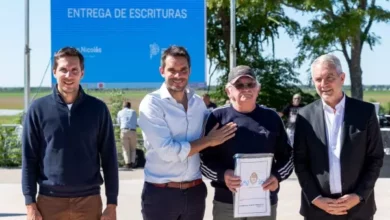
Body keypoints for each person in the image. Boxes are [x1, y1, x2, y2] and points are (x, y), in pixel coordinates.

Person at [137, 45, 237, 220]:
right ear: (162, 71)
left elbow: (218, 130)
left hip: (195, 193)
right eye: (172, 70)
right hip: (161, 195)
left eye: (183, 70)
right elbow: (167, 151)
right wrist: (207, 141)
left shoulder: (198, 103)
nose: (178, 75)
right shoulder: (152, 104)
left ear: (189, 71)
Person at [22, 47, 119, 220]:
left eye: (74, 70)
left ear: (82, 73)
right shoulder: (38, 109)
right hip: (49, 202)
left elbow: (109, 158)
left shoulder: (98, 109)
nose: (69, 75)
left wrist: (112, 204)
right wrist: (30, 204)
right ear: (54, 72)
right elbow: (29, 158)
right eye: (63, 70)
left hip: (88, 201)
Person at [293, 54, 384, 220]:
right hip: (317, 210)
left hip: (358, 210)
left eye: (330, 77)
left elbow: (375, 158)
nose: (324, 84)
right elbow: (300, 162)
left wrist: (358, 196)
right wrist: (316, 198)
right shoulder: (304, 116)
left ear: (342, 78)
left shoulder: (365, 112)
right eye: (318, 79)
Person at [200, 65, 294, 220]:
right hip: (227, 203)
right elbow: (203, 161)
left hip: (264, 201)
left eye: (250, 84)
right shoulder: (217, 117)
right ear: (228, 90)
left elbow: (288, 157)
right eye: (239, 85)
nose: (246, 89)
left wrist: (276, 177)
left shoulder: (272, 118)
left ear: (258, 88)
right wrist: (224, 175)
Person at [117, 101, 138, 169]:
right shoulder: (133, 112)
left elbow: (119, 122)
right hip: (133, 131)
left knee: (125, 149)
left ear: (123, 106)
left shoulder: (120, 112)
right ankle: (132, 163)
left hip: (124, 131)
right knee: (133, 149)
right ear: (130, 106)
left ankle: (127, 164)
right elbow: (136, 121)